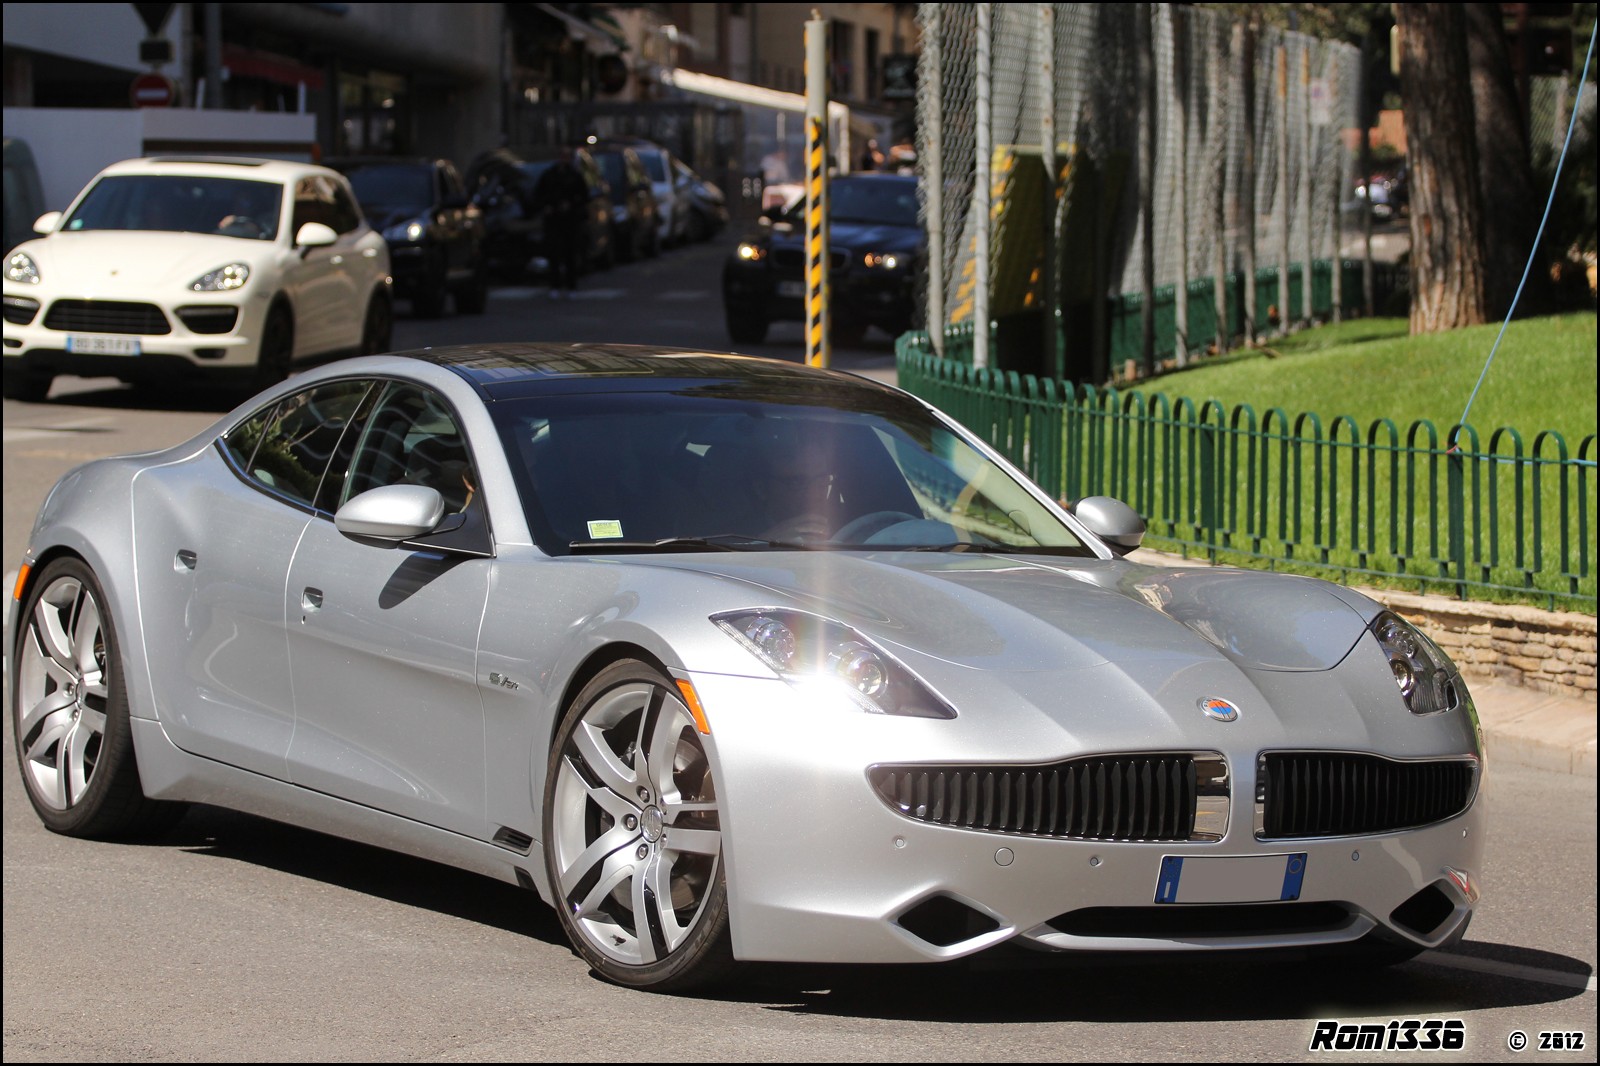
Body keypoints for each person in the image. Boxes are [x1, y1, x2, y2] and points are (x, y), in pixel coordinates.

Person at [534, 147, 589, 297]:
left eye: (567, 157)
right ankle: (555, 285)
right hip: (553, 220)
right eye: (562, 156)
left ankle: (571, 285)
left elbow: (583, 196)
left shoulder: (575, 176)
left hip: (570, 220)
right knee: (554, 254)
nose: (564, 159)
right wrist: (546, 207)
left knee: (570, 253)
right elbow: (539, 194)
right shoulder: (549, 175)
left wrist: (571, 205)